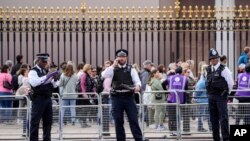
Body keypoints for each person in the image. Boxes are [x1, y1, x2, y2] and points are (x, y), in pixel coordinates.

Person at [102, 49, 143, 141]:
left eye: (123, 56)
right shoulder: (112, 69)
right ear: (116, 58)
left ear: (126, 58)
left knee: (133, 120)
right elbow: (104, 75)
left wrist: (137, 86)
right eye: (119, 56)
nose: (121, 58)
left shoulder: (131, 69)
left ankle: (139, 139)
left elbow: (137, 81)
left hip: (129, 97)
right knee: (118, 121)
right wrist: (113, 66)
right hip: (116, 97)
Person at [28, 53, 58, 141]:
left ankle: (47, 139)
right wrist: (47, 76)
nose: (45, 63)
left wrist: (55, 79)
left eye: (46, 61)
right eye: (43, 61)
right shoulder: (33, 71)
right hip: (38, 98)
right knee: (35, 121)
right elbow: (34, 83)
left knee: (48, 121)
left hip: (47, 98)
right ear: (38, 61)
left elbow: (55, 85)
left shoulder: (46, 70)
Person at [206, 48, 234, 141]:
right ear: (210, 60)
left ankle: (226, 138)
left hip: (221, 97)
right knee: (213, 119)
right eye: (212, 58)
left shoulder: (224, 69)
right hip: (211, 97)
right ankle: (216, 138)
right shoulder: (208, 69)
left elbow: (230, 83)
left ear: (218, 58)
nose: (214, 60)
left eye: (215, 58)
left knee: (223, 118)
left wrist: (226, 93)